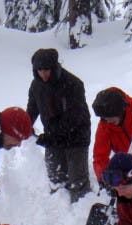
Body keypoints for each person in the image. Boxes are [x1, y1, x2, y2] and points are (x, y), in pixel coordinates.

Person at [27, 48, 91, 203]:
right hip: (53, 138)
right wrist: (24, 126)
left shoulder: (73, 84)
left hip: (76, 138)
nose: (43, 74)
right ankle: (59, 214)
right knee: (56, 180)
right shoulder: (36, 86)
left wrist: (51, 136)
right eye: (39, 70)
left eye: (46, 69)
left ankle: (80, 214)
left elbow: (76, 117)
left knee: (77, 181)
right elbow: (32, 109)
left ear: (55, 66)